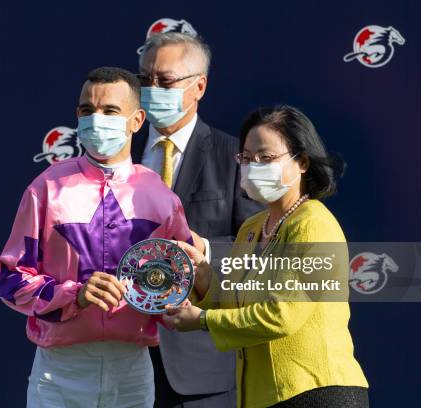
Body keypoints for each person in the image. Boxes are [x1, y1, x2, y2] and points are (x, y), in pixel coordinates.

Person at [0, 66, 194, 408]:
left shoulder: (161, 197)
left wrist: (175, 300)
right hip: (61, 372)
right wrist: (74, 295)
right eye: (87, 110)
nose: (96, 119)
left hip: (131, 372)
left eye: (110, 111)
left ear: (137, 120)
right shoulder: (45, 189)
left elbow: (183, 281)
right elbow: (10, 279)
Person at [163, 105, 370, 407]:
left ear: (302, 162)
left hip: (315, 393)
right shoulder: (252, 227)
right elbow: (237, 302)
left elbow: (281, 315)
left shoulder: (314, 224)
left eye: (266, 158)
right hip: (261, 396)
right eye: (246, 158)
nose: (253, 166)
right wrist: (204, 276)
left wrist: (203, 320)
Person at [131, 31, 261, 408]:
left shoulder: (236, 159)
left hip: (201, 368)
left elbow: (256, 251)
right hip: (121, 358)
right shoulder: (117, 155)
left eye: (165, 81)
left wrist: (202, 252)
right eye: (144, 79)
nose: (152, 89)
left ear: (198, 86)